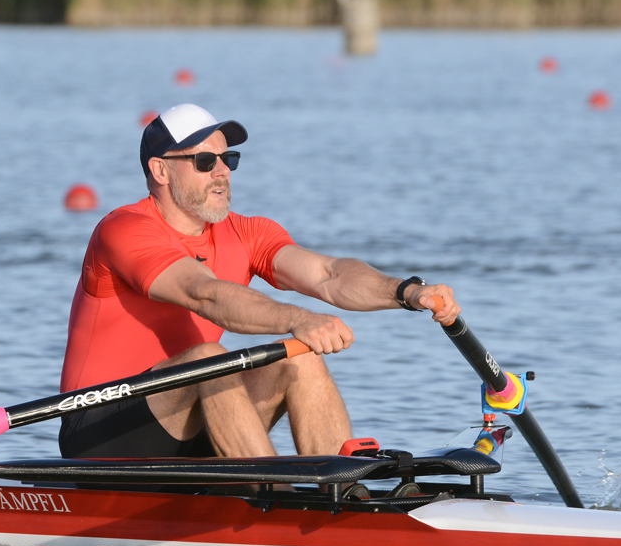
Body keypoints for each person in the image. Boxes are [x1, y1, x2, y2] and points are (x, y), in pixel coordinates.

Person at [58, 103, 459, 460]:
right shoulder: (125, 229)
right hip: (101, 428)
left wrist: (407, 292)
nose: (221, 173)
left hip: (194, 419)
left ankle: (335, 496)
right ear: (160, 169)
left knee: (299, 356)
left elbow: (329, 274)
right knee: (208, 356)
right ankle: (268, 493)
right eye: (203, 162)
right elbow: (205, 294)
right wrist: (298, 319)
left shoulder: (248, 232)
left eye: (227, 159)